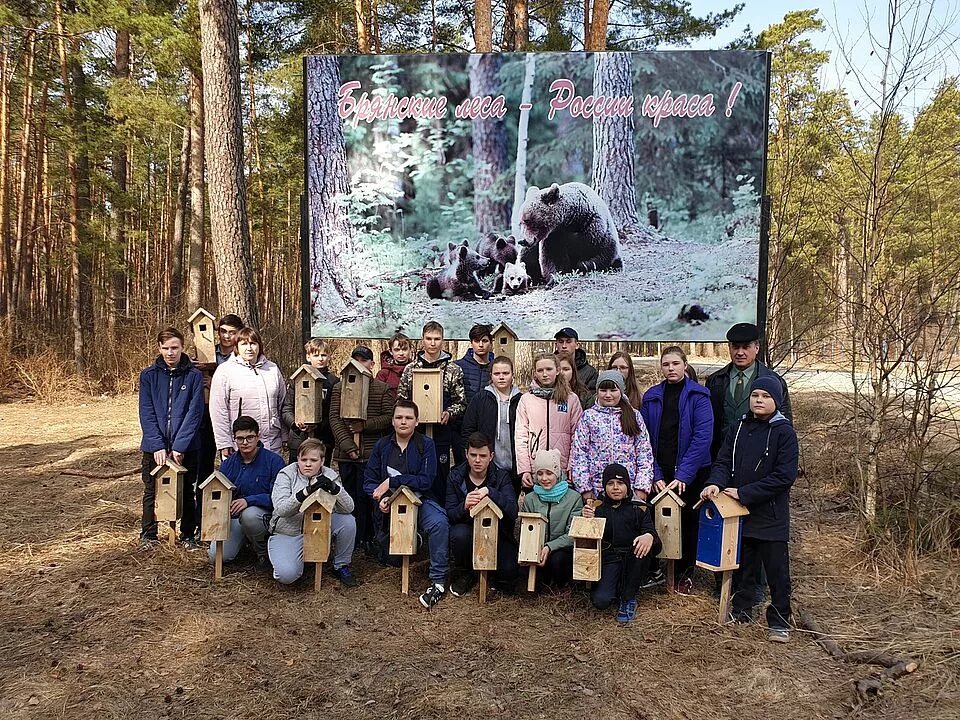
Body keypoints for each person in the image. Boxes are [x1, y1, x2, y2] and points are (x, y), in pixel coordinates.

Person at [701, 376, 798, 643]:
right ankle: (742, 611)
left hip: (771, 515)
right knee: (744, 566)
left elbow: (784, 476)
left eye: (766, 396)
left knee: (777, 571)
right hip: (739, 512)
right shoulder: (739, 427)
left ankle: (779, 621)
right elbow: (722, 461)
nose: (758, 400)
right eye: (755, 395)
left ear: (776, 401)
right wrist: (714, 483)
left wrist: (745, 493)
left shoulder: (784, 432)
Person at [640, 346, 714, 593]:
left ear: (684, 365)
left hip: (690, 474)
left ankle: (685, 573)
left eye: (675, 364)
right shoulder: (651, 397)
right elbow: (644, 439)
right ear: (660, 368)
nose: (670, 368)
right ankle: (656, 568)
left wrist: (684, 474)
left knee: (688, 523)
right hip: (661, 474)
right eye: (666, 364)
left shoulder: (699, 396)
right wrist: (656, 474)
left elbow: (703, 438)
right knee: (654, 519)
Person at [363, 400, 450, 609]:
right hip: (391, 507)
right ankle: (411, 540)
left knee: (439, 523)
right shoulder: (382, 446)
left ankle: (438, 580)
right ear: (392, 421)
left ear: (417, 422)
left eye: (409, 418)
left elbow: (426, 480)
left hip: (420, 500)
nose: (404, 422)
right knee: (391, 559)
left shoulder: (425, 445)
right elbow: (369, 481)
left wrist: (394, 481)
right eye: (399, 417)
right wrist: (380, 498)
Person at [138, 327, 205, 548]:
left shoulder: (193, 376)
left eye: (174, 348)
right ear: (159, 348)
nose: (170, 353)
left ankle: (187, 534)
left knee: (186, 490)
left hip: (185, 446)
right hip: (154, 446)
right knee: (152, 489)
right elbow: (146, 412)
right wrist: (157, 444)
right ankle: (148, 534)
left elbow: (194, 413)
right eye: (165, 348)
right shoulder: (149, 376)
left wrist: (180, 446)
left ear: (182, 347)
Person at [329, 345, 394, 554]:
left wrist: (365, 426)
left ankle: (369, 537)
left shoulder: (381, 388)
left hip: (370, 455)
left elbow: (389, 417)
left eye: (364, 361)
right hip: (348, 455)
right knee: (348, 497)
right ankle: (351, 538)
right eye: (356, 360)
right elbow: (335, 419)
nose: (360, 365)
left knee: (368, 497)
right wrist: (348, 446)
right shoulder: (340, 388)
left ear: (372, 364)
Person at [269, 438, 358, 587]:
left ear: (322, 461)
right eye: (303, 459)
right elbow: (281, 509)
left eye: (313, 460)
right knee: (287, 575)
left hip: (320, 526)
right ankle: (289, 556)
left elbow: (349, 507)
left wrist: (335, 488)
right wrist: (305, 492)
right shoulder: (286, 474)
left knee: (347, 521)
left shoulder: (329, 474)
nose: (308, 464)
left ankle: (341, 565)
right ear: (297, 459)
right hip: (290, 530)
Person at [582, 463, 661, 623]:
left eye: (620, 483)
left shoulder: (639, 508)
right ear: (604, 487)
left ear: (627, 485)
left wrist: (649, 536)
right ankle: (618, 586)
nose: (616, 488)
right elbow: (587, 537)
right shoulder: (598, 508)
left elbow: (654, 537)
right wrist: (587, 519)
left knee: (641, 548)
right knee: (601, 601)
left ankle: (628, 598)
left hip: (634, 558)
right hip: (610, 558)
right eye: (610, 484)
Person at [445, 432, 519, 597]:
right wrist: (463, 505)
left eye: (483, 456)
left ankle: (492, 576)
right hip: (468, 532)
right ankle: (466, 572)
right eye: (473, 455)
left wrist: (490, 492)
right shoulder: (455, 476)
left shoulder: (501, 477)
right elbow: (449, 513)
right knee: (459, 535)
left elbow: (513, 511)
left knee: (509, 572)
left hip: (497, 533)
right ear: (466, 454)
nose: (477, 460)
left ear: (491, 456)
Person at [208, 415, 285, 570]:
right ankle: (243, 543)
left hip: (263, 515)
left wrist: (249, 501)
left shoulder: (274, 461)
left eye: (250, 437)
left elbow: (278, 498)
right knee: (217, 555)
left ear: (258, 437)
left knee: (249, 515)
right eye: (240, 438)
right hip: (235, 518)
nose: (245, 442)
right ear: (234, 439)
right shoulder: (227, 465)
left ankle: (262, 551)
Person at [397, 321, 466, 491]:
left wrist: (449, 413)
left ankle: (439, 514)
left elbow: (461, 402)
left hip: (441, 434)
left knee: (440, 475)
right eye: (429, 339)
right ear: (423, 339)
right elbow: (401, 400)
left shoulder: (453, 370)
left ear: (443, 340)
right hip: (415, 433)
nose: (433, 343)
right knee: (415, 473)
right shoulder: (410, 369)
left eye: (437, 339)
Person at [706, 323, 791, 458]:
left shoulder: (774, 381)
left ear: (756, 348)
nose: (740, 353)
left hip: (758, 458)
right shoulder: (715, 380)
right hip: (721, 457)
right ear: (729, 348)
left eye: (746, 347)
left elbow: (784, 423)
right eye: (735, 347)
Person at [569, 370, 654, 502]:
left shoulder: (634, 415)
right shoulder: (589, 417)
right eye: (603, 390)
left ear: (621, 391)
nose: (608, 395)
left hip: (627, 488)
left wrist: (641, 487)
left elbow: (644, 452)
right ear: (597, 391)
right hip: (597, 489)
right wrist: (585, 488)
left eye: (613, 390)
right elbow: (579, 453)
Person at [193, 313, 243, 534]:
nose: (227, 336)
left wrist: (214, 383)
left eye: (232, 332)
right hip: (204, 418)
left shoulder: (242, 356)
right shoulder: (206, 352)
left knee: (229, 469)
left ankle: (228, 518)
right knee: (203, 470)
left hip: (229, 418)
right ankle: (201, 519)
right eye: (223, 331)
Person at [210, 327, 287, 457]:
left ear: (259, 346)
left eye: (253, 343)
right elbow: (218, 410)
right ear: (237, 347)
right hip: (240, 444)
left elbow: (282, 404)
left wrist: (285, 436)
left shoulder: (272, 369)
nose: (249, 348)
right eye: (244, 344)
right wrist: (224, 443)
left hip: (272, 442)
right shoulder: (225, 371)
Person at [515, 353, 583, 491]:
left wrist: (572, 466)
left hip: (562, 468)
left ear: (557, 370)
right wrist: (525, 469)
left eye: (549, 369)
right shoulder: (527, 400)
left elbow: (578, 436)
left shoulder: (571, 399)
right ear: (535, 373)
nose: (544, 374)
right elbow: (521, 437)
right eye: (540, 370)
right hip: (537, 470)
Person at [519, 449, 583, 589]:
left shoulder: (574, 498)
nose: (544, 478)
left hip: (561, 549)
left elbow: (573, 534)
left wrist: (550, 547)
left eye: (549, 473)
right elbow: (525, 529)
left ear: (558, 473)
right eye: (540, 473)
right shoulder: (530, 499)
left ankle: (562, 585)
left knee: (558, 561)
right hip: (536, 549)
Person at [461, 355, 522, 494]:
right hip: (489, 465)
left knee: (510, 505)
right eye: (497, 373)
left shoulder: (521, 400)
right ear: (491, 375)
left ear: (512, 375)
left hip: (514, 465)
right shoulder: (481, 398)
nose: (501, 377)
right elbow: (467, 430)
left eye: (505, 373)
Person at [281, 337, 338, 464]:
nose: (320, 359)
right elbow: (286, 409)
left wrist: (317, 424)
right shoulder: (298, 379)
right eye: (316, 355)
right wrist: (295, 423)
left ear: (329, 357)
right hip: (298, 439)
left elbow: (334, 412)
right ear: (308, 357)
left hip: (323, 439)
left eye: (324, 355)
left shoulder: (334, 382)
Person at [452, 323, 495, 463]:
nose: (480, 345)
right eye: (476, 341)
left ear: (491, 342)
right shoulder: (458, 367)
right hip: (461, 429)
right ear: (471, 343)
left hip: (489, 430)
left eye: (484, 341)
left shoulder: (497, 368)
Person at [554, 327, 598, 392]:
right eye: (561, 342)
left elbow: (590, 398)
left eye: (568, 342)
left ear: (577, 345)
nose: (564, 346)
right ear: (556, 345)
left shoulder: (590, 372)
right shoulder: (548, 368)